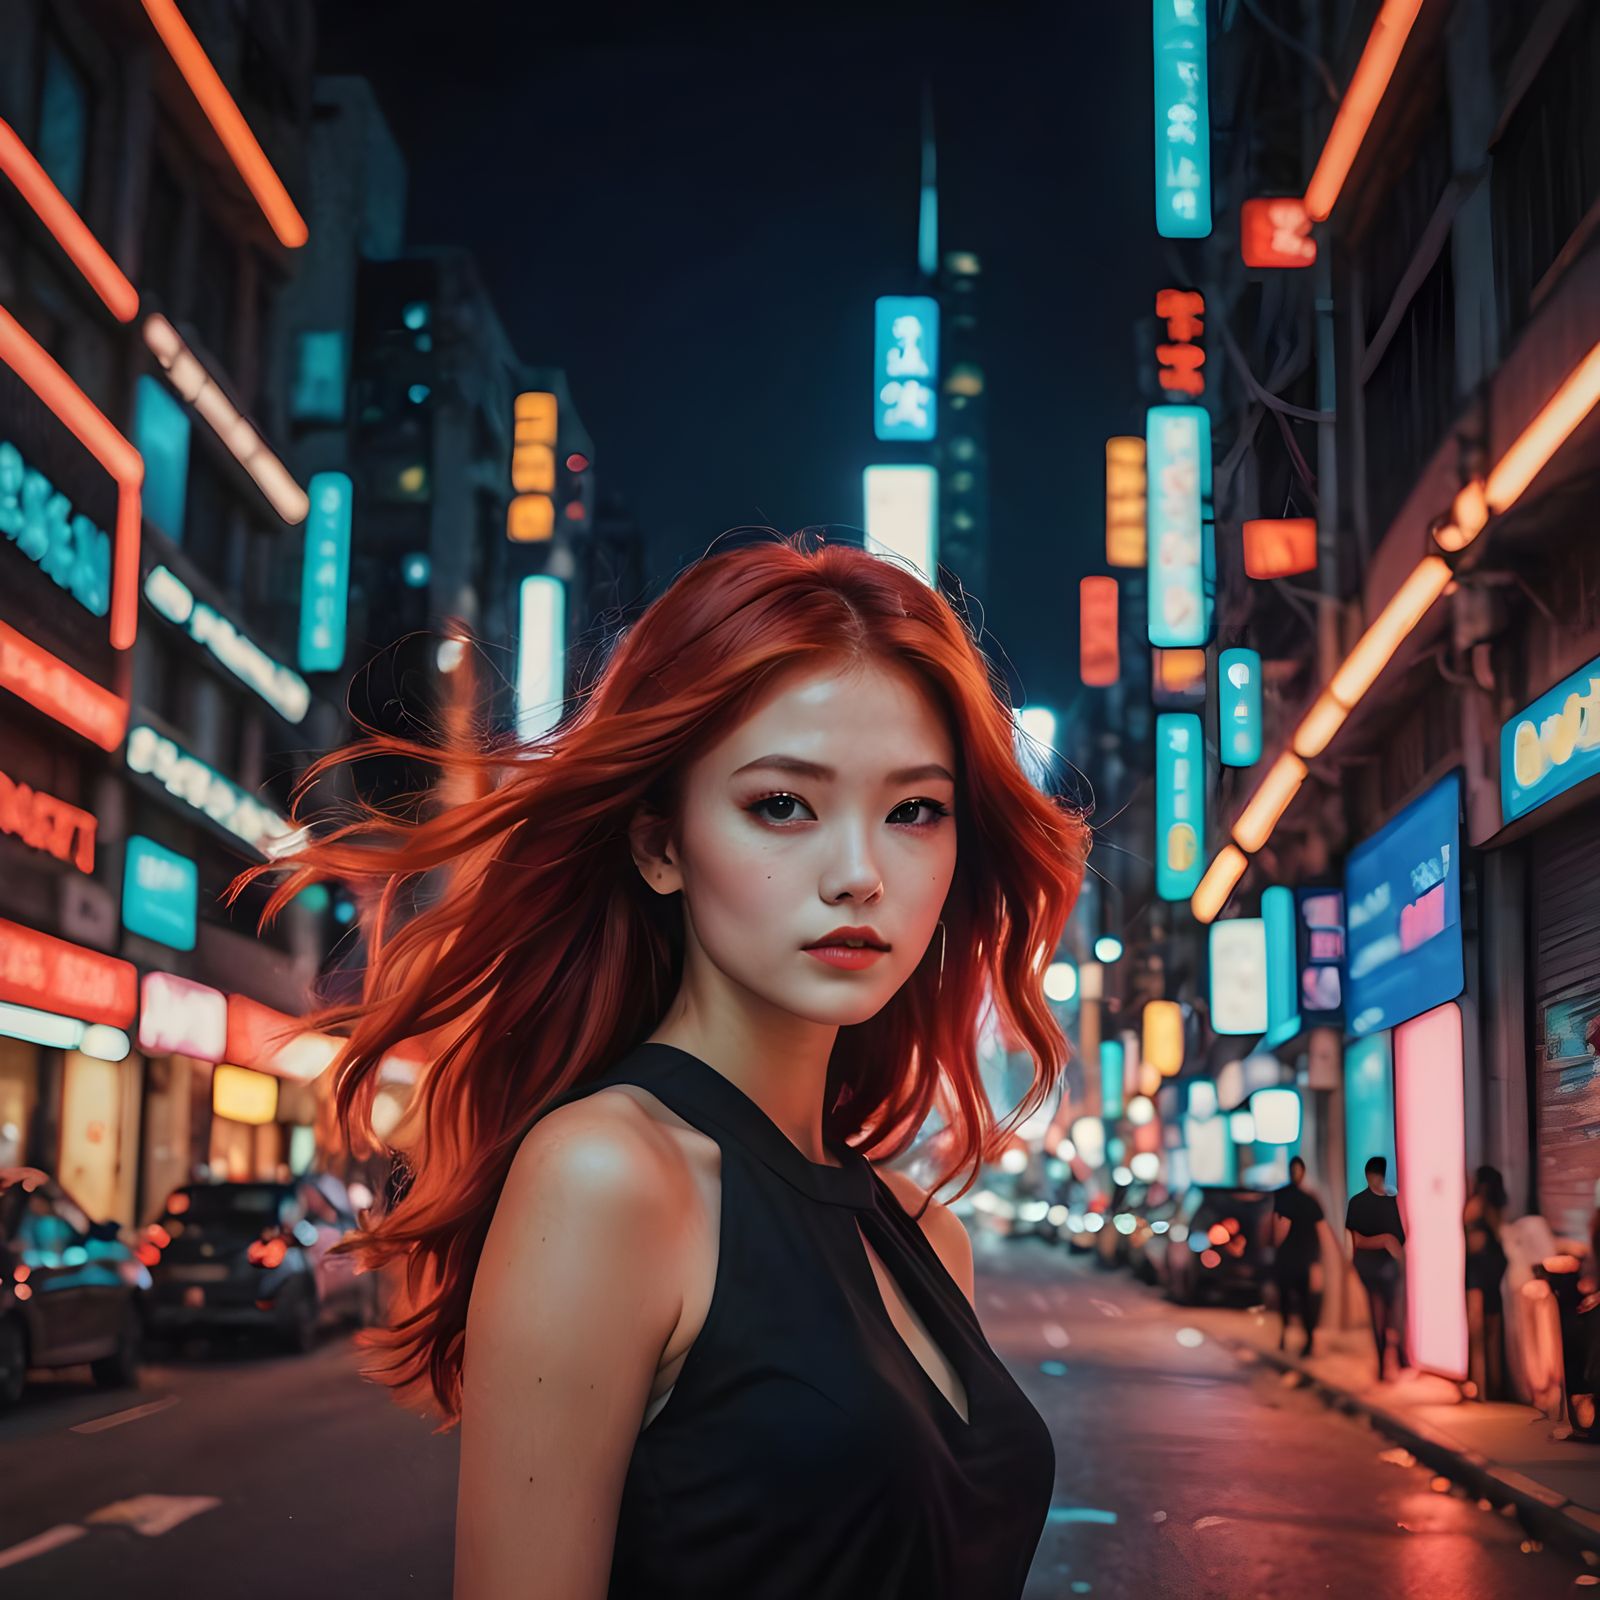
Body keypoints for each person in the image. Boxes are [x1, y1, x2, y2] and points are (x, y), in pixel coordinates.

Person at [235, 534, 1088, 1599]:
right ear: (659, 843)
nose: (859, 873)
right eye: (782, 803)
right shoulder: (609, 1176)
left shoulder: (923, 1231)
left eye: (913, 810)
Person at [1345, 1155, 1406, 1383]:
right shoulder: (1391, 1202)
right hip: (1383, 1265)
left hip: (1369, 1265)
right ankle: (1391, 1360)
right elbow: (1398, 1238)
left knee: (1379, 1314)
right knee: (1390, 1312)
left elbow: (1355, 1239)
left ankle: (1383, 1363)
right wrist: (1386, 1240)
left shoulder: (1357, 1202)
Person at [1271, 1156, 1331, 1357]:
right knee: (1290, 1301)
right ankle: (1288, 1336)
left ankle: (1306, 1340)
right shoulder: (1288, 1196)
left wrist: (1316, 1261)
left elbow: (1319, 1234)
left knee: (1304, 1302)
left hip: (1300, 1259)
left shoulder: (1304, 1199)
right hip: (1290, 1258)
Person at [1463, 1164, 1508, 1401]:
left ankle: (1481, 1389)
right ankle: (1494, 1387)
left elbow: (1470, 1240)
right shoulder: (1498, 1209)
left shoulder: (1476, 1205)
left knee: (1478, 1334)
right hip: (1494, 1272)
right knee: (1492, 1333)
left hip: (1478, 1274)